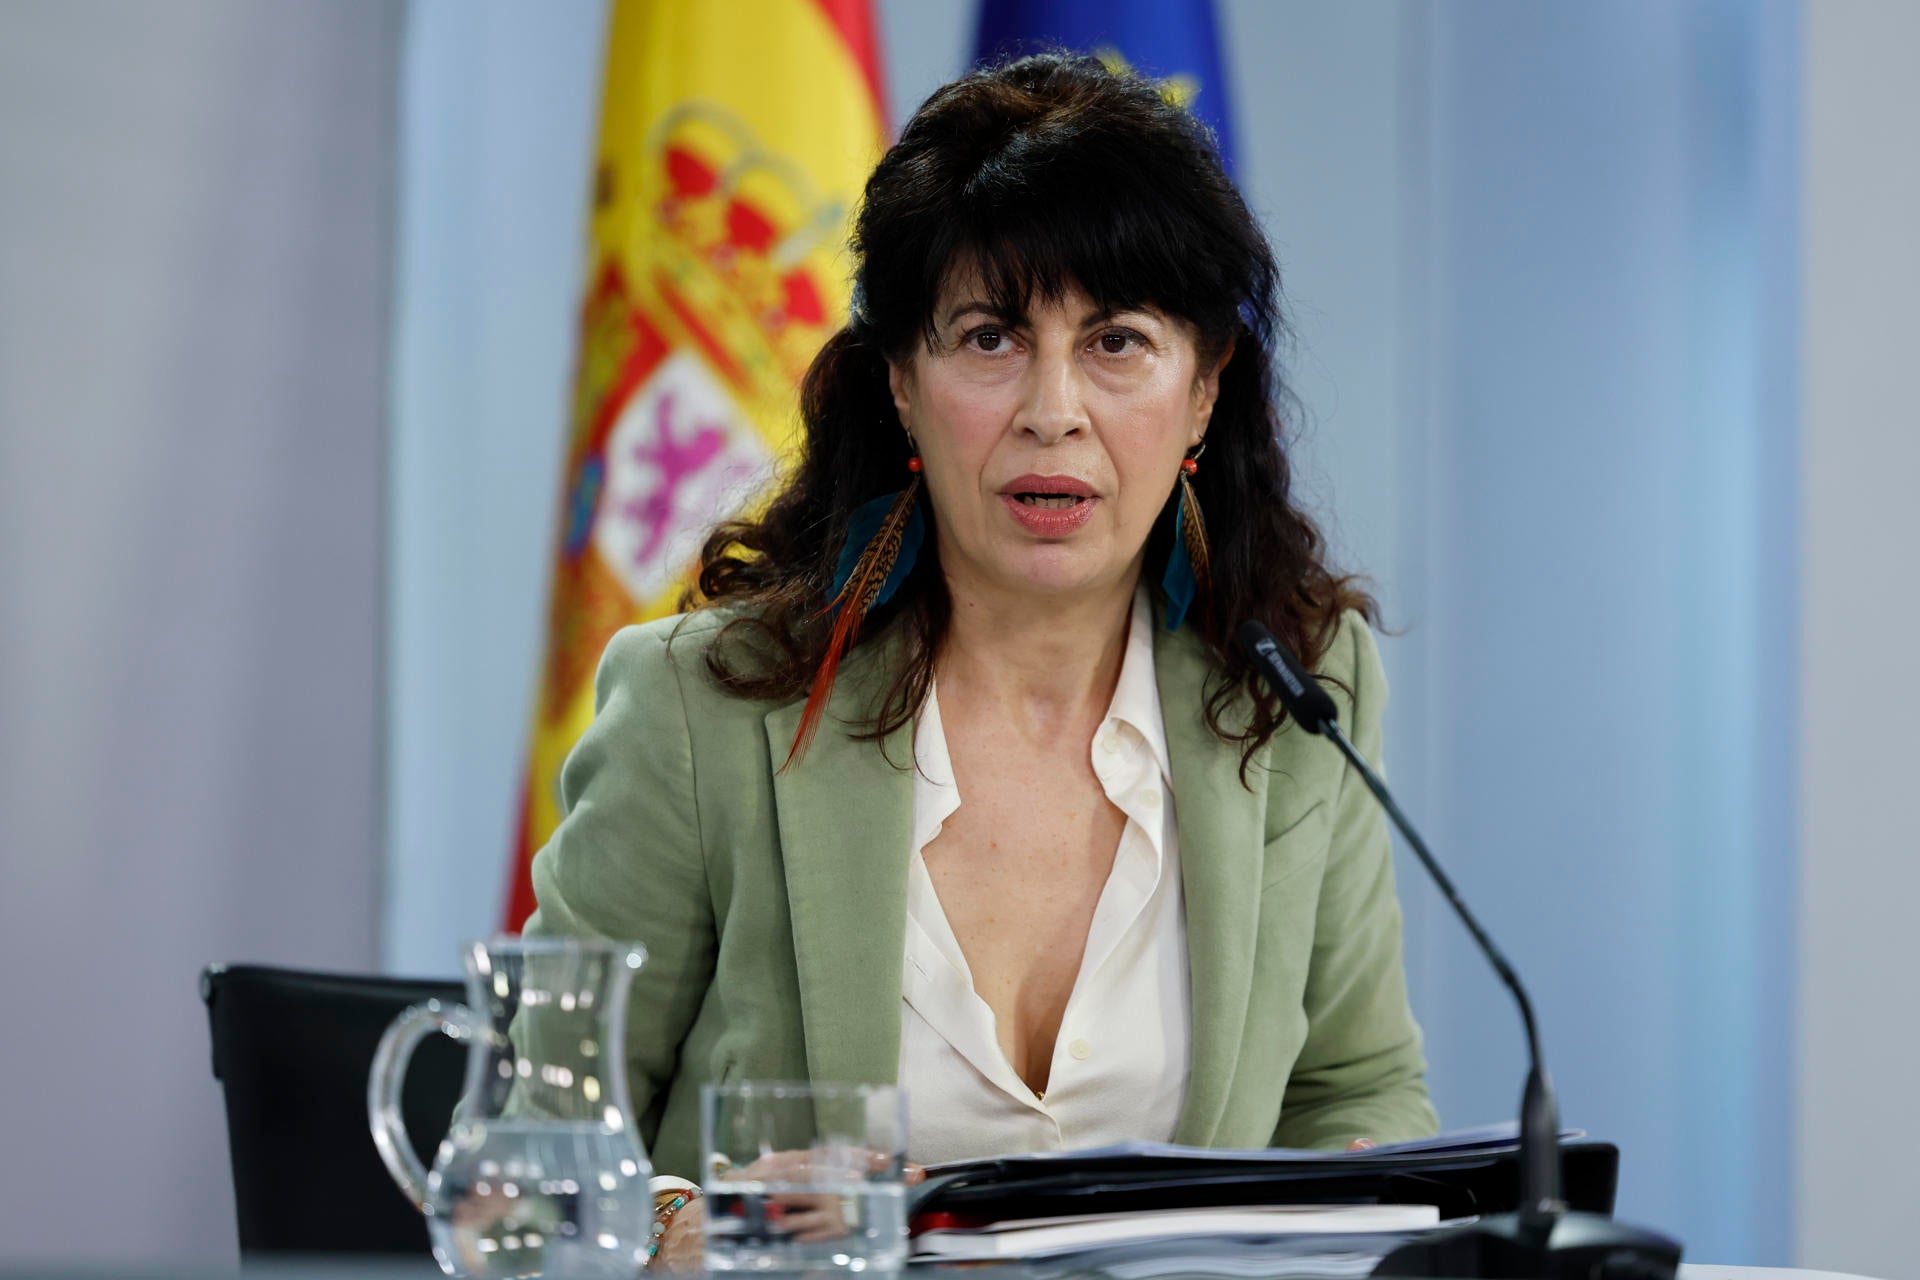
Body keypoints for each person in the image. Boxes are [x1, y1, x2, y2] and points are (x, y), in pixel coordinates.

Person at [521, 51, 1438, 1268]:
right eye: (991, 336)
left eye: (1117, 341)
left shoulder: (1294, 691)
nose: (1052, 408)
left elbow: (1359, 1099)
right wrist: (686, 1227)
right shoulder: (705, 709)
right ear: (901, 380)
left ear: (1207, 388)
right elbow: (529, 1147)